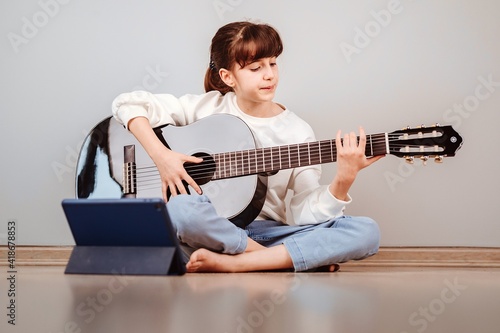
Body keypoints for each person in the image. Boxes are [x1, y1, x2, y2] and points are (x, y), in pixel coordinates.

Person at [112, 21, 384, 273]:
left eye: (273, 64)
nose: (269, 75)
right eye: (256, 68)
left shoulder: (297, 131)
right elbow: (127, 104)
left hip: (269, 233)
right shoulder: (207, 108)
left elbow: (302, 212)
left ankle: (238, 263)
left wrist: (343, 180)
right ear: (228, 77)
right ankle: (273, 259)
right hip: (207, 233)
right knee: (181, 210)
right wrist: (162, 157)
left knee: (366, 231)